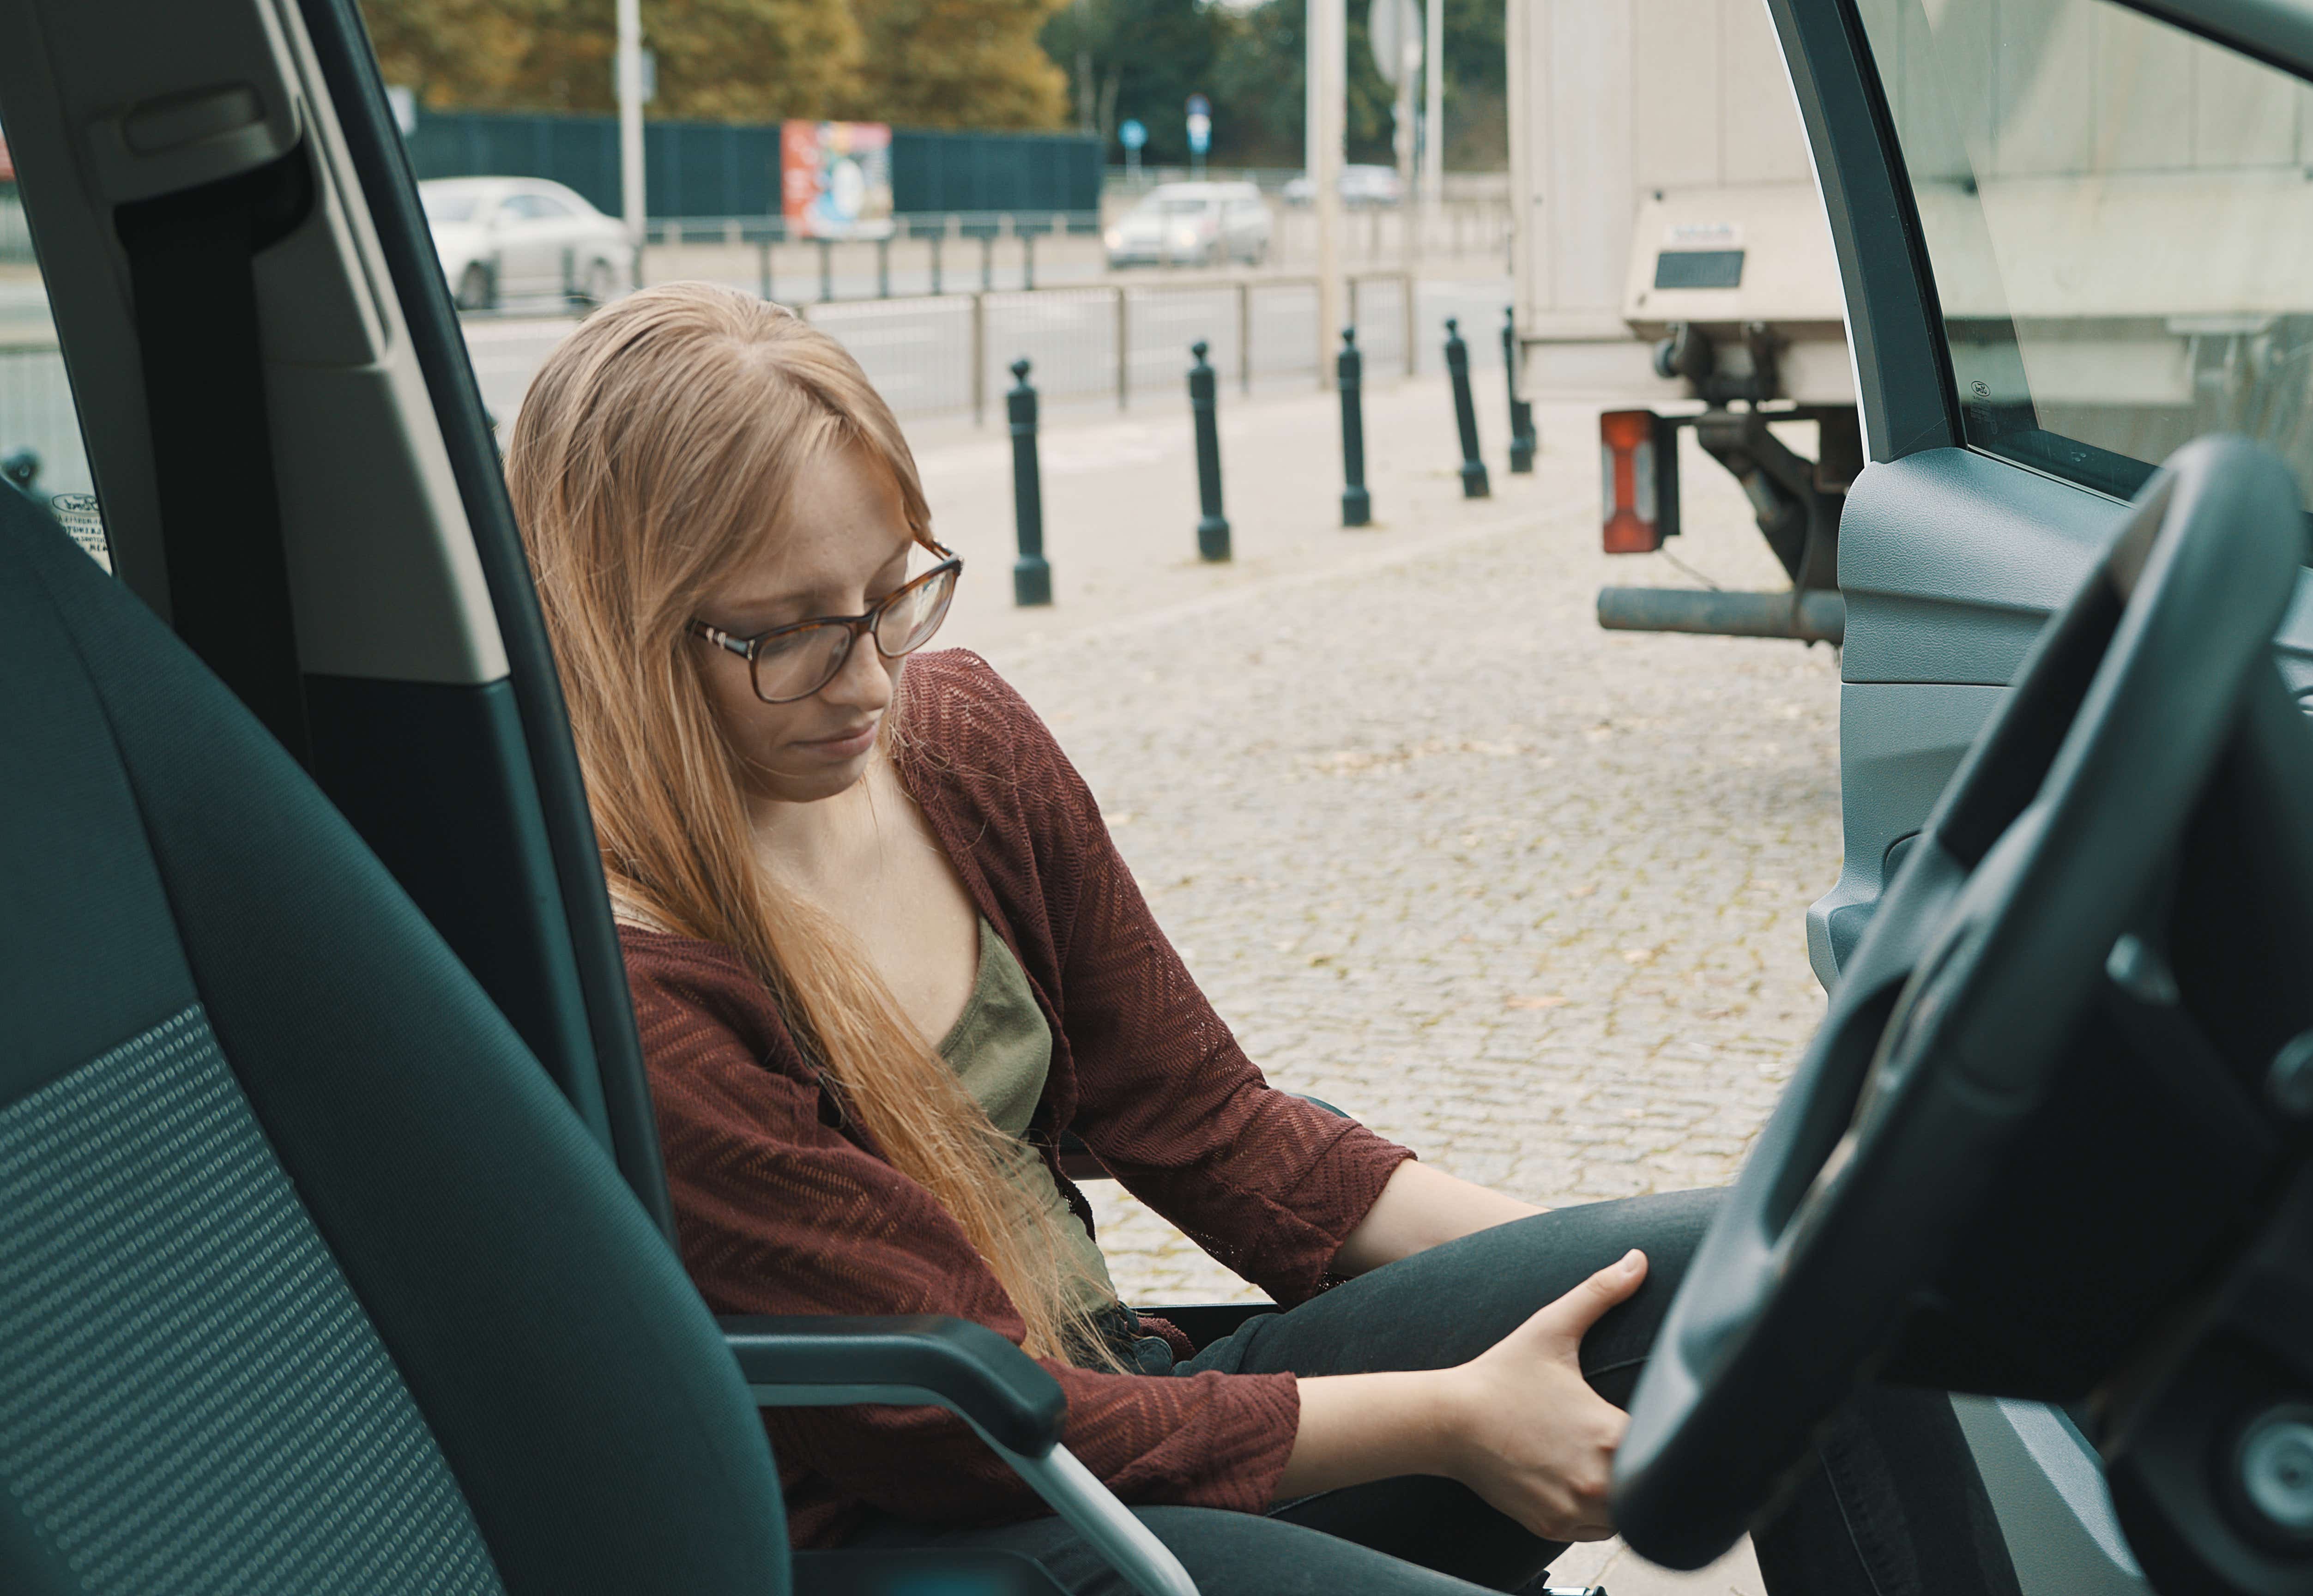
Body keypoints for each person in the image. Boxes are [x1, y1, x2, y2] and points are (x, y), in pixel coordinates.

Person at [506, 281, 2017, 1595]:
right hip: (962, 1530)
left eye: (890, 593)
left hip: (1134, 1410)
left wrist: (1615, 1265)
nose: (869, 678)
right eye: (789, 632)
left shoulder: (957, 747)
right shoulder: (645, 993)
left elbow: (1218, 1131)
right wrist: (1453, 1417)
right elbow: (975, 1425)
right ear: (621, 634)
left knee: (1812, 1289)